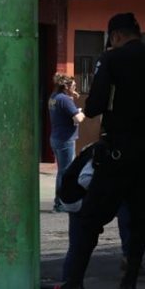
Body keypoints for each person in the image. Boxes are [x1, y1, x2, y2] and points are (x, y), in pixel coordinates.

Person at [60, 13, 145, 289]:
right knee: (138, 220)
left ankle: (74, 283)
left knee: (90, 219)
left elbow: (95, 106)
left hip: (118, 150)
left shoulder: (111, 59)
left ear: (115, 36)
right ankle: (129, 283)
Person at [48, 73, 85, 212]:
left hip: (57, 137)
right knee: (65, 172)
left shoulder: (54, 97)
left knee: (62, 171)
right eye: (73, 86)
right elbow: (78, 119)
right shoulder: (65, 99)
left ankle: (61, 202)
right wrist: (82, 112)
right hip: (65, 139)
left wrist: (72, 95)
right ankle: (60, 203)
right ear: (66, 86)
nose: (75, 88)